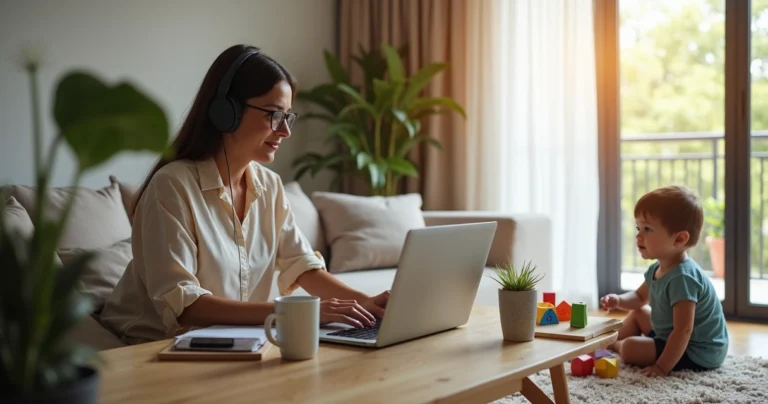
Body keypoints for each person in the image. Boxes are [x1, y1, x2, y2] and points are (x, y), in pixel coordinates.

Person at [100, 44, 390, 345]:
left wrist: (366, 304)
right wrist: (294, 313)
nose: (285, 131)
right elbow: (185, 305)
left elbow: (302, 266)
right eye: (275, 115)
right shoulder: (172, 186)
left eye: (288, 117)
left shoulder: (270, 186)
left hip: (234, 343)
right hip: (154, 347)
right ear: (227, 112)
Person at [600, 185, 729, 376]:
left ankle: (617, 345)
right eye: (638, 227)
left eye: (647, 229)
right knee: (639, 312)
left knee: (630, 348)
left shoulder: (683, 278)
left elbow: (683, 331)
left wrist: (661, 367)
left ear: (679, 239)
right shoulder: (658, 268)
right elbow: (638, 297)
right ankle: (605, 342)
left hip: (697, 350)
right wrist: (619, 301)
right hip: (670, 335)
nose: (638, 235)